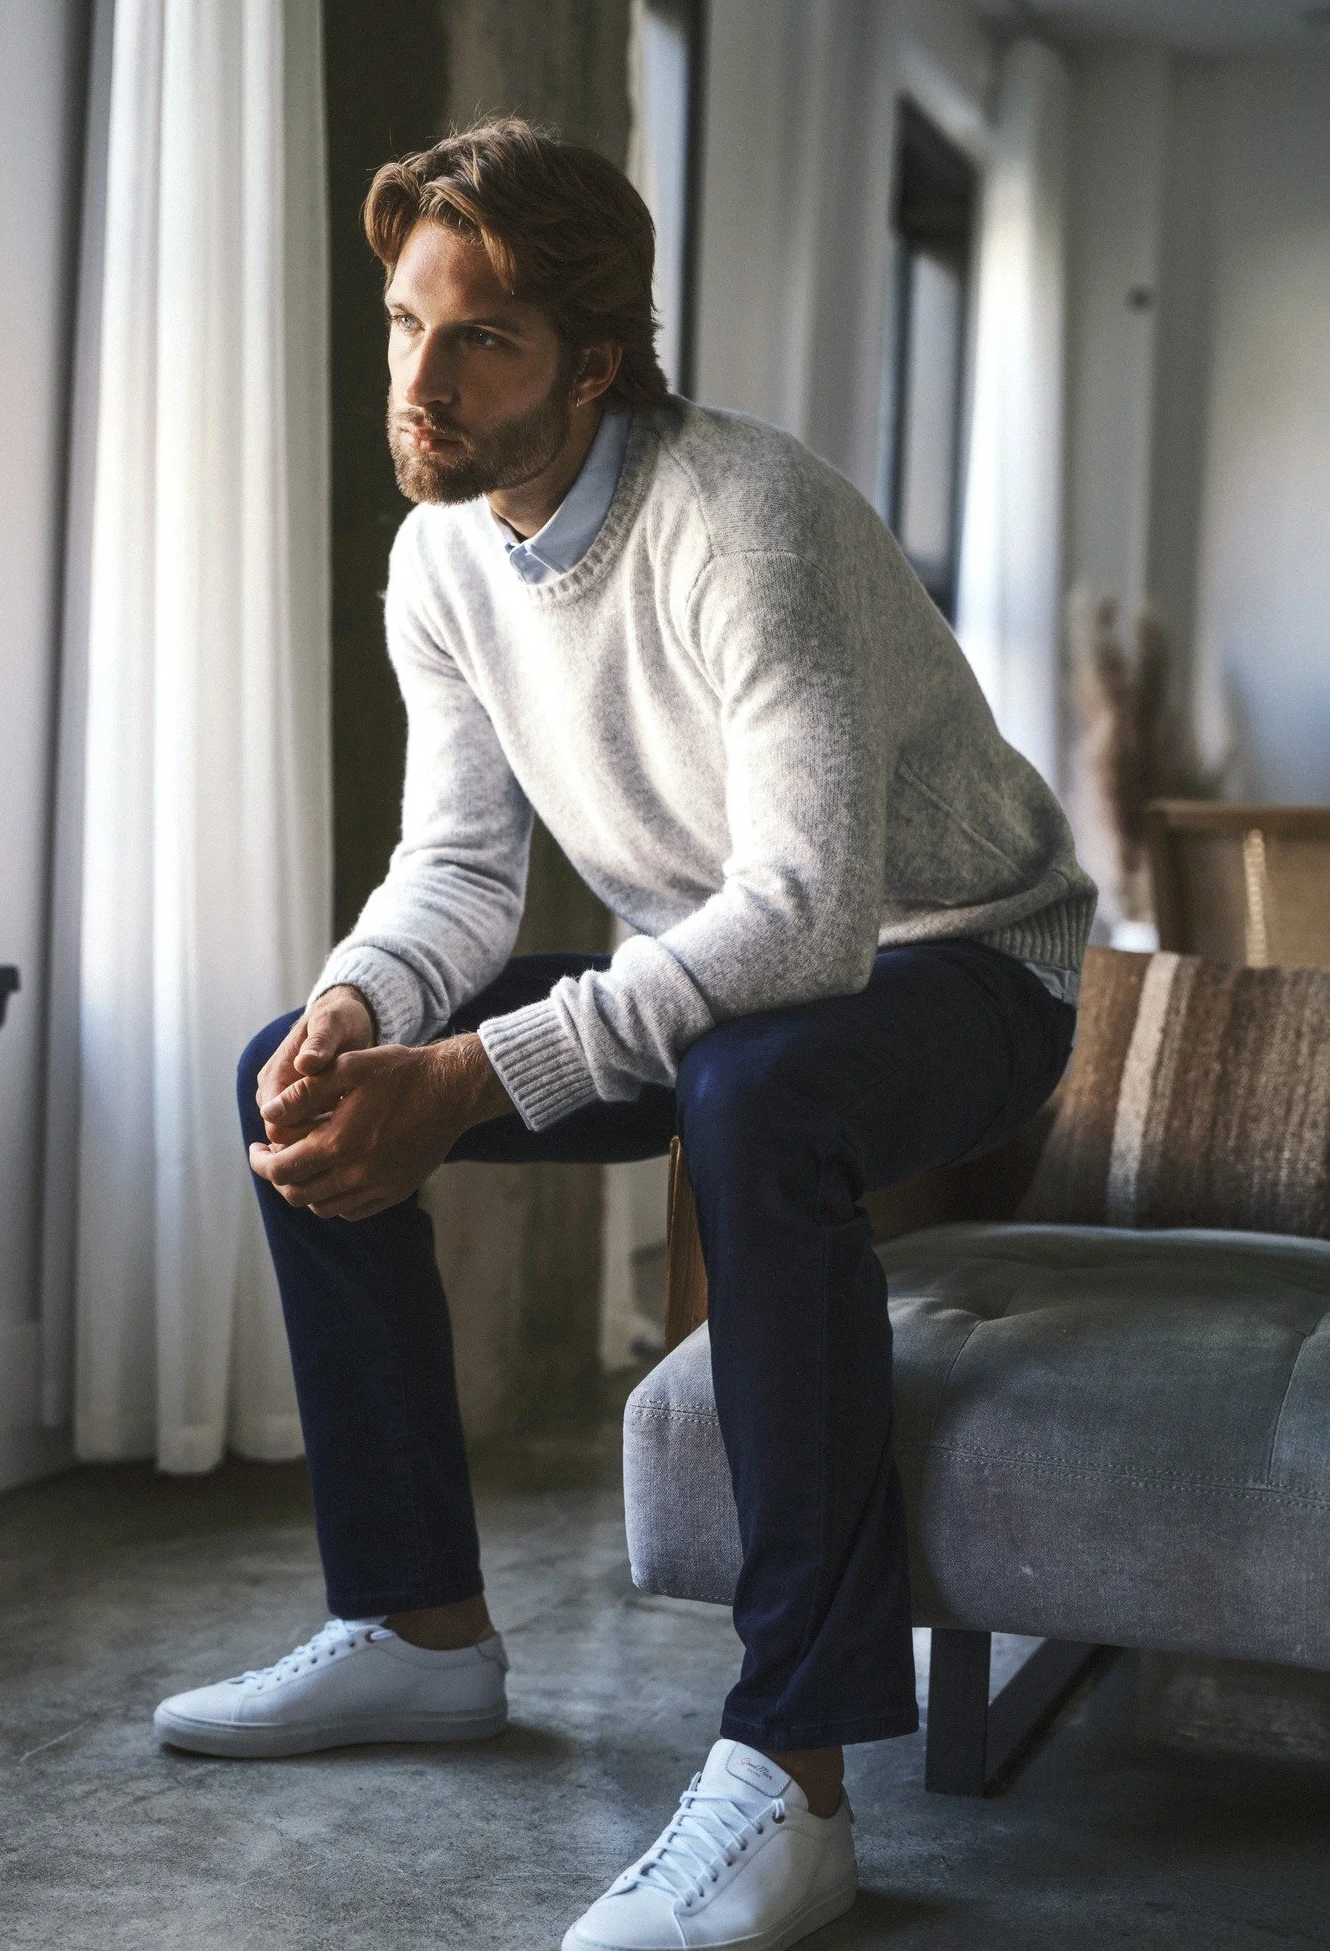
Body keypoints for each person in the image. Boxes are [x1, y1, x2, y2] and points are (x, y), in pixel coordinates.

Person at [152, 117, 1095, 1951]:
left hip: (972, 966)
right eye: (405, 322)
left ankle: (793, 1777)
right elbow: (456, 869)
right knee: (302, 1070)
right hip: (729, 969)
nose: (418, 381)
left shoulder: (744, 514)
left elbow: (804, 916)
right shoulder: (441, 557)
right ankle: (418, 1627)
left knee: (750, 1093)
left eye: (479, 340)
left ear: (593, 361)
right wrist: (363, 1010)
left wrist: (473, 1076)